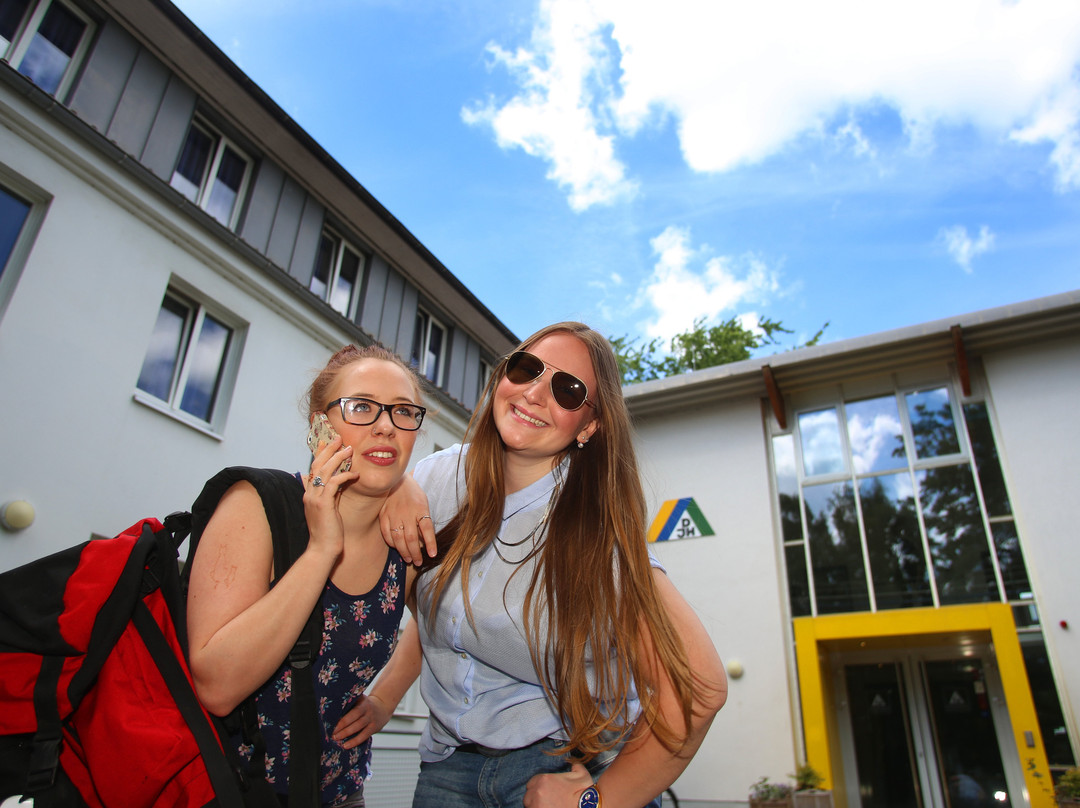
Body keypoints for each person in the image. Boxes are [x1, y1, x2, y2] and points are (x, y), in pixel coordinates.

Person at [344, 322, 727, 808]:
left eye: (568, 390)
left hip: (556, 769)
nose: (534, 393)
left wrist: (596, 803)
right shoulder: (436, 479)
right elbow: (440, 619)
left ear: (589, 426)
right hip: (445, 767)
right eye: (527, 369)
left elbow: (697, 689)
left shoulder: (596, 540)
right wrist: (383, 700)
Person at [185, 344, 427, 807]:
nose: (385, 426)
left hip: (339, 793)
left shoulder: (406, 544)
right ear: (320, 422)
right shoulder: (257, 505)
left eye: (402, 412)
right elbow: (216, 686)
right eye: (361, 407)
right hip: (223, 788)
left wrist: (386, 700)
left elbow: (439, 626)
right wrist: (321, 551)